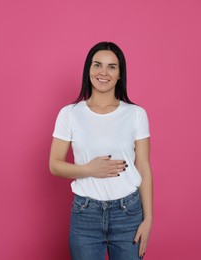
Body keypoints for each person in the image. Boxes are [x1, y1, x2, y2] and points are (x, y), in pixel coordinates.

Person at [49, 42, 153, 260]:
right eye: (97, 65)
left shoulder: (136, 114)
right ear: (88, 70)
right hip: (85, 213)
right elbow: (55, 164)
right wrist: (88, 169)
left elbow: (143, 165)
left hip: (129, 212)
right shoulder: (70, 114)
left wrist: (148, 218)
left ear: (119, 74)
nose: (103, 72)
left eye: (111, 67)